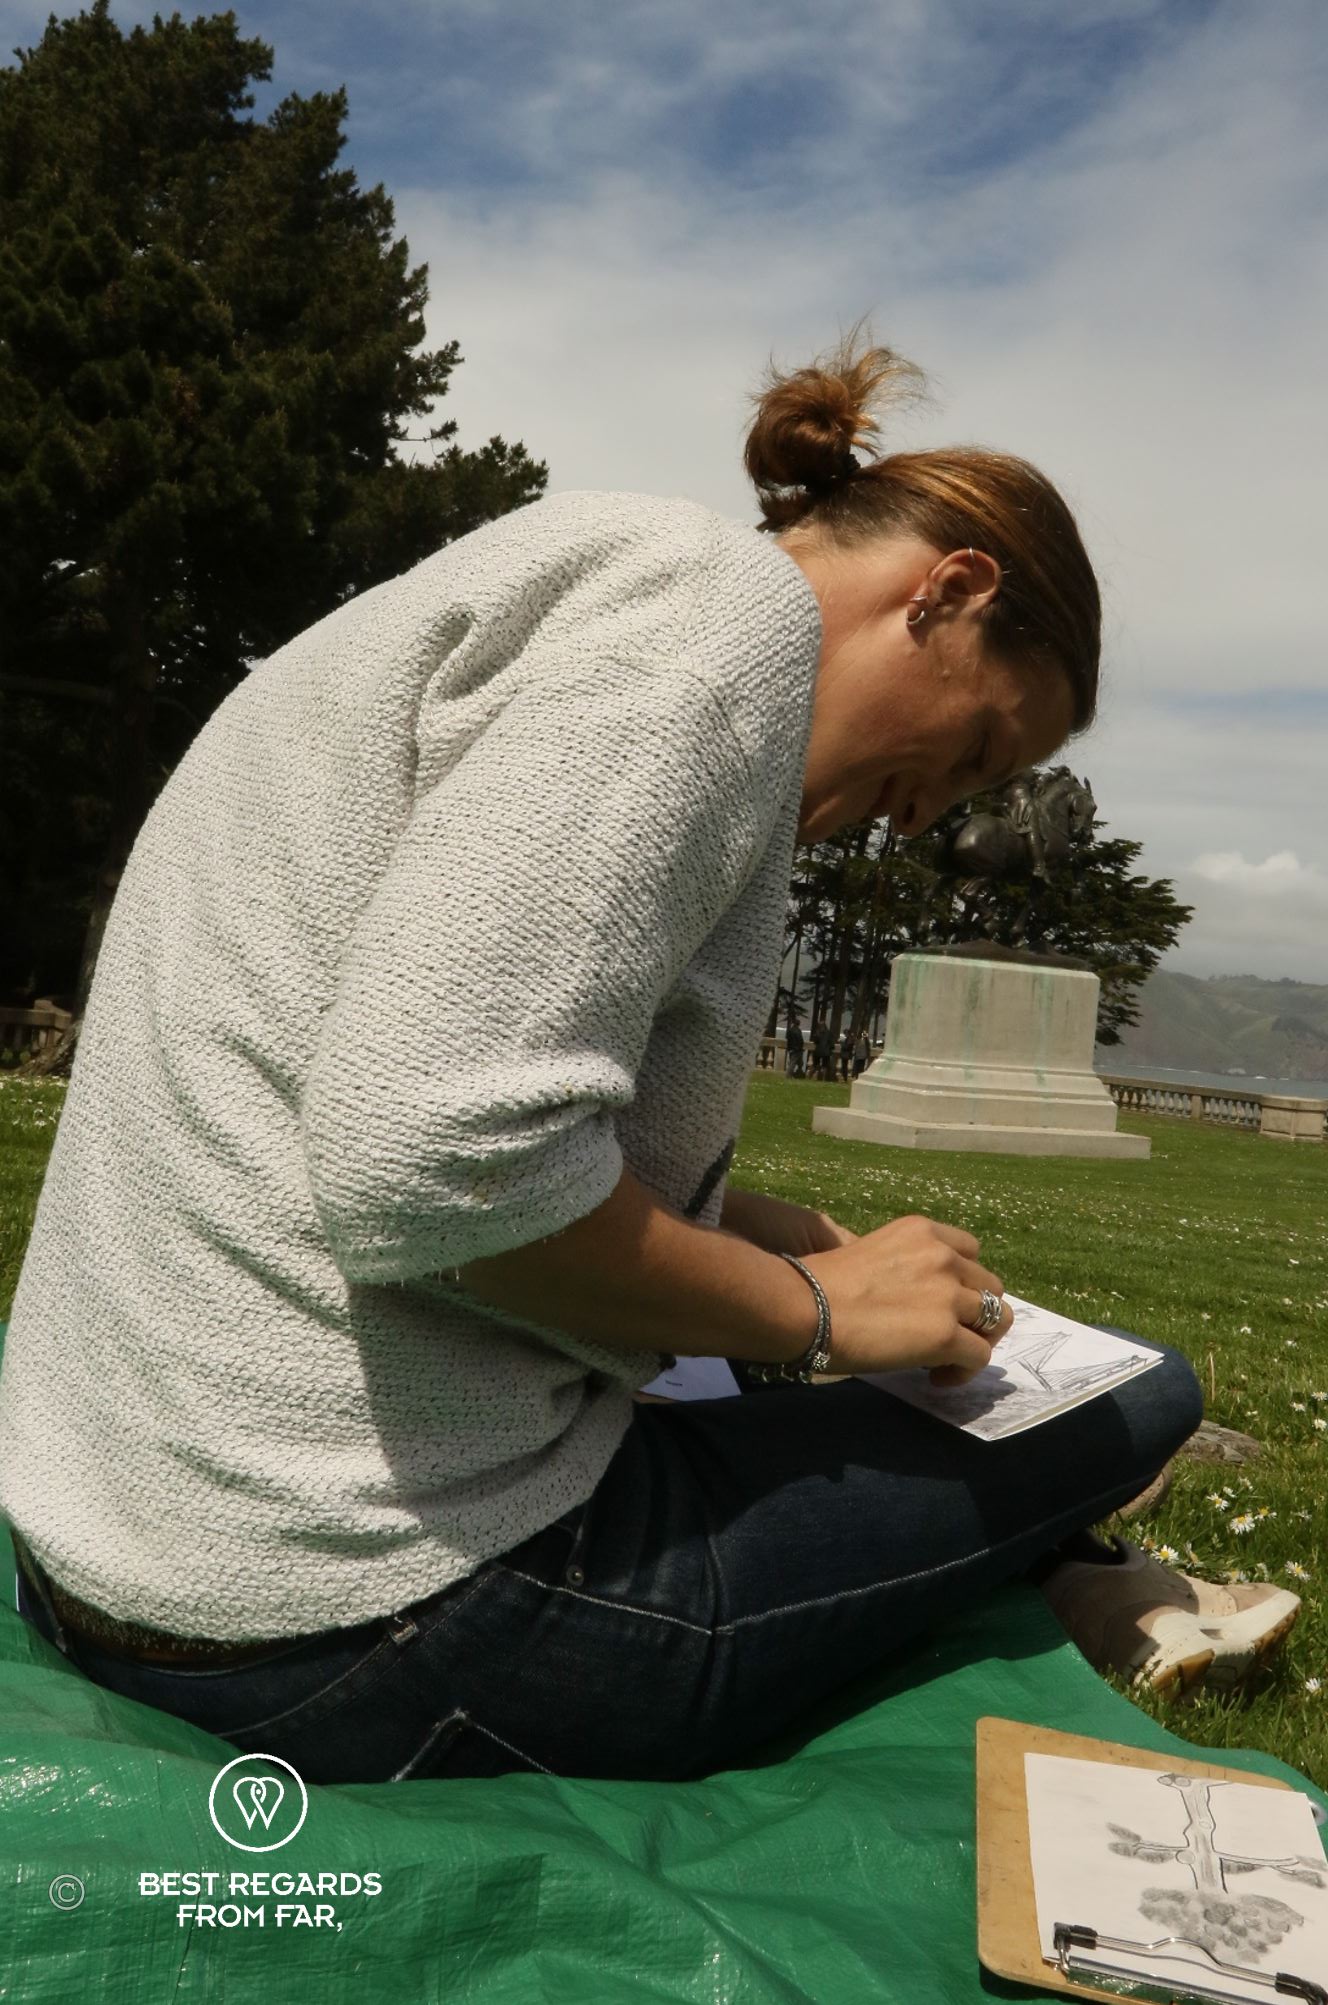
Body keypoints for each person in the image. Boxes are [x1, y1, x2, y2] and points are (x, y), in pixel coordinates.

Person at [0, 334, 1298, 1791]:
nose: (930, 817)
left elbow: (401, 1065)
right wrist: (809, 1313)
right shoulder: (714, 641)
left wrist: (759, 1231)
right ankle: (1074, 1567)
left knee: (914, 1390)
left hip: (118, 1535)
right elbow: (432, 1162)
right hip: (356, 1611)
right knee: (1136, 1399)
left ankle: (1063, 1562)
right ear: (950, 591)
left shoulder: (587, 585)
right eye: (984, 748)